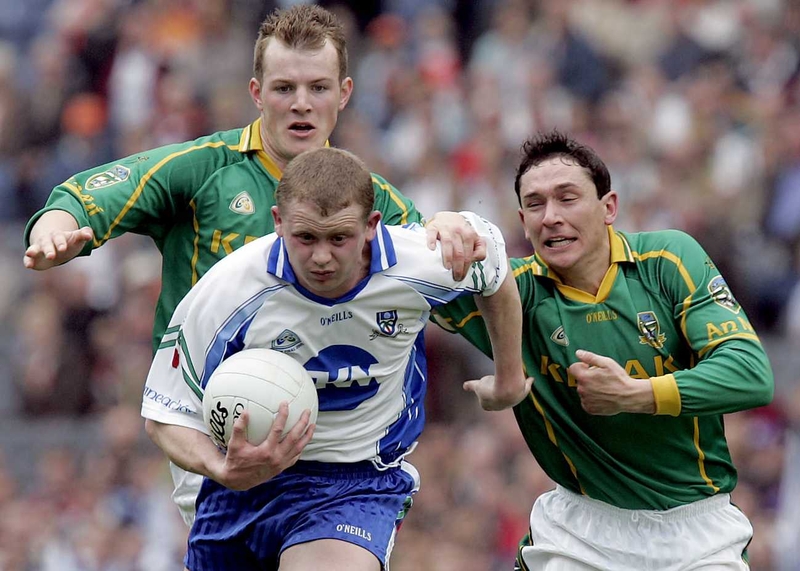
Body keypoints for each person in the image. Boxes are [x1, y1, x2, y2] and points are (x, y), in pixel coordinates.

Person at [22, 4, 481, 526]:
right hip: (215, 429)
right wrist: (54, 231)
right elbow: (84, 198)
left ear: (345, 94)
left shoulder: (375, 202)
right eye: (285, 88)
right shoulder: (203, 170)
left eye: (318, 88)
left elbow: (466, 292)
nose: (301, 104)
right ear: (257, 93)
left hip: (332, 441)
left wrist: (455, 232)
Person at [141, 146, 530, 571]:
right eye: (305, 237)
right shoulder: (229, 291)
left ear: (371, 225)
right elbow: (165, 414)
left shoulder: (421, 261)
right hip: (243, 487)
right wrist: (222, 467)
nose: (322, 257)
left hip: (356, 479)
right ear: (277, 222)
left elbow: (493, 268)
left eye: (338, 238)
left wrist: (509, 375)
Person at [432, 130, 775, 571]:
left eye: (567, 198)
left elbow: (750, 373)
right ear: (522, 221)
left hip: (696, 530)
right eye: (535, 205)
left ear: (608, 207)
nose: (550, 216)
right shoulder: (511, 294)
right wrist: (442, 224)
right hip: (580, 532)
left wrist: (637, 394)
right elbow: (377, 240)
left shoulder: (669, 260)